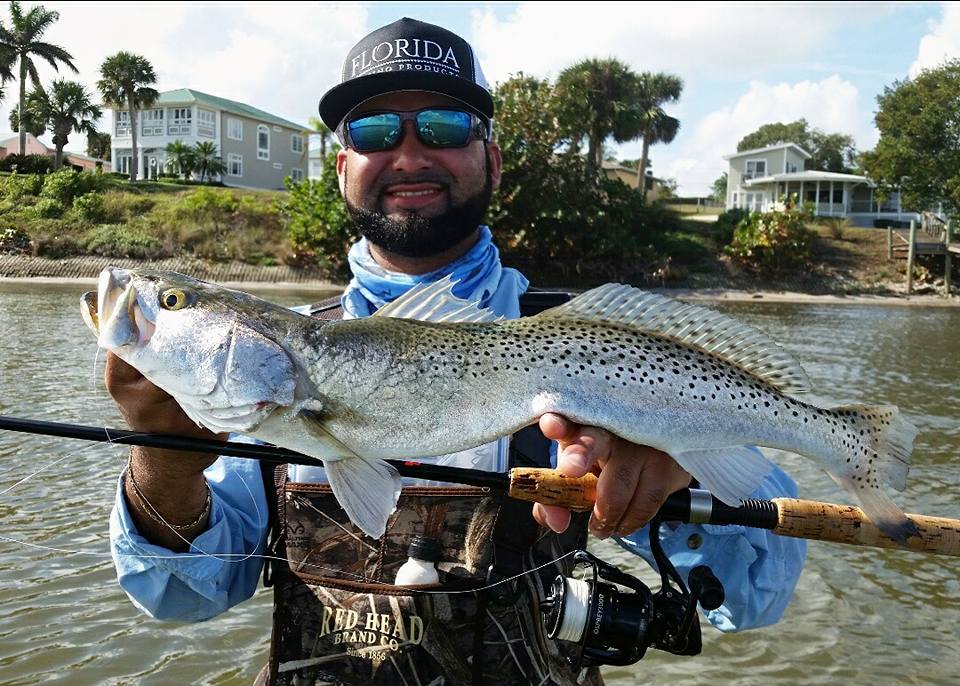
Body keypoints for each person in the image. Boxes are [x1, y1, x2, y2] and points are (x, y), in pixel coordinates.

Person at [106, 17, 806, 686]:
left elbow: (754, 599)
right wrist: (161, 458)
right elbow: (179, 597)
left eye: (442, 127)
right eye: (377, 130)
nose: (409, 155)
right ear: (342, 167)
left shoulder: (588, 345)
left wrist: (682, 478)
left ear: (491, 160)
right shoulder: (271, 354)